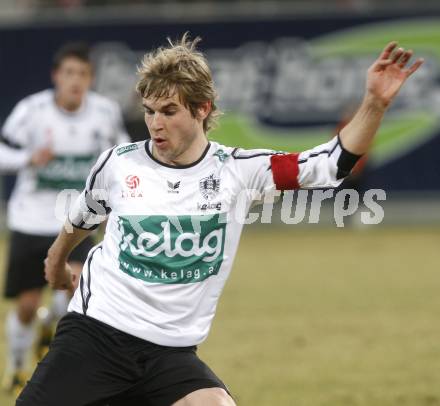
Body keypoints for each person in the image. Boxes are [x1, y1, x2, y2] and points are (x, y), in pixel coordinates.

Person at [17, 35, 422, 406]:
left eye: (169, 111)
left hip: (169, 354)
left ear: (202, 109)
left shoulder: (237, 172)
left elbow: (329, 165)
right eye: (150, 111)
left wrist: (374, 104)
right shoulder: (119, 164)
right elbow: (83, 215)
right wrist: (56, 260)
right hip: (95, 337)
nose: (156, 123)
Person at [0, 42, 129, 394]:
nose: (76, 81)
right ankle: (14, 367)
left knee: (76, 294)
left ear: (90, 79)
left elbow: (124, 156)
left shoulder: (105, 113)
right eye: (69, 73)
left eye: (83, 74)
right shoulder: (32, 111)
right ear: (57, 76)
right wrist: (27, 159)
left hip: (78, 221)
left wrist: (114, 205)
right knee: (26, 305)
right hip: (30, 219)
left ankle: (56, 341)